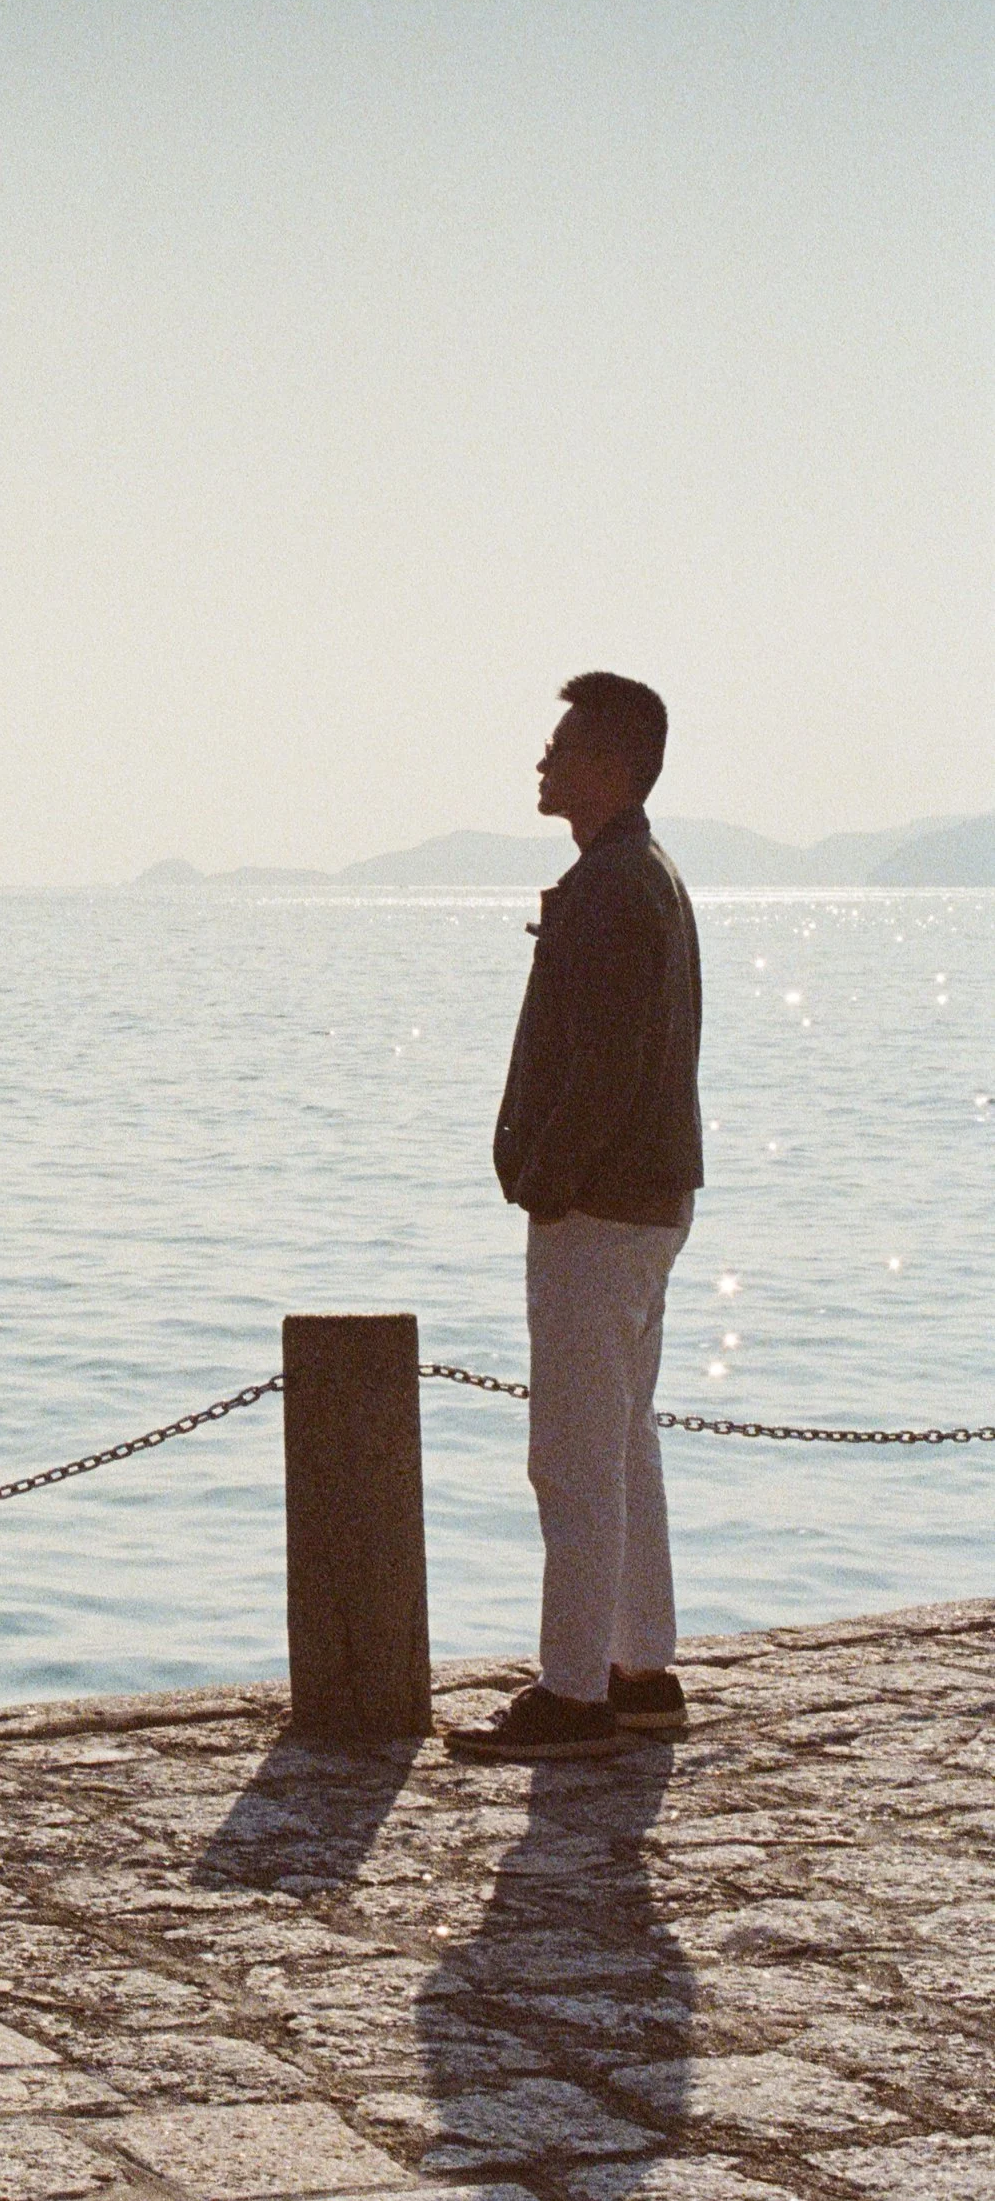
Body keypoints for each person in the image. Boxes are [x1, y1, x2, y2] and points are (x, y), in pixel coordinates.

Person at [444, 672, 703, 1762]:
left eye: (558, 747)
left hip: (599, 1208)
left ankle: (572, 1693)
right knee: (624, 1441)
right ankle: (640, 1668)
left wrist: (545, 1175)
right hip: (650, 1197)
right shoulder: (644, 875)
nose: (541, 763)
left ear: (608, 763)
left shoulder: (608, 887)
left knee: (573, 1454)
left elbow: (599, 1066)